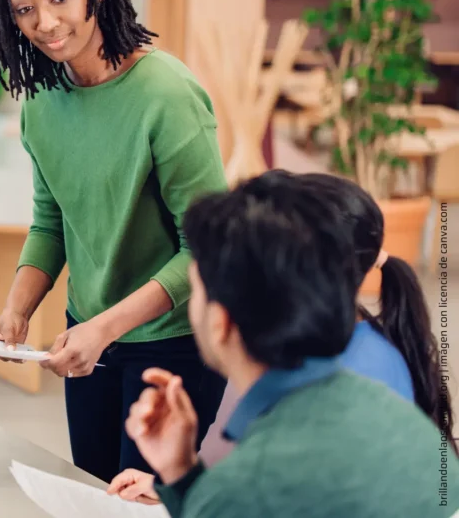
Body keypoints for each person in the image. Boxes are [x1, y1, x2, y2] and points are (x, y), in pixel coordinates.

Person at [0, 0, 227, 481]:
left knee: (142, 501)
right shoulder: (40, 103)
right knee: (93, 491)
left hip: (174, 340)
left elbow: (208, 247)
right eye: (23, 9)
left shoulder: (167, 94)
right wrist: (17, 309)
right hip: (87, 332)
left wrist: (106, 328)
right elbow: (52, 221)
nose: (44, 22)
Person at [116, 172, 454, 517]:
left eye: (196, 290)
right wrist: (182, 474)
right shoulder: (388, 411)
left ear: (221, 323)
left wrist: (203, 492)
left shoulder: (251, 483)